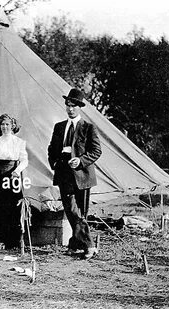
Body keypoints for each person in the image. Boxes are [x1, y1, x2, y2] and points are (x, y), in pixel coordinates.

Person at [47, 88, 102, 259]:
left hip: (83, 176)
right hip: (64, 175)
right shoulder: (59, 127)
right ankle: (90, 245)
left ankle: (74, 244)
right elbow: (51, 150)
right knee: (72, 210)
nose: (70, 109)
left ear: (80, 108)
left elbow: (96, 151)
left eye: (74, 106)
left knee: (80, 213)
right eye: (68, 105)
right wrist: (55, 163)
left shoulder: (88, 128)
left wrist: (81, 160)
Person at [0, 114, 28, 249]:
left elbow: (24, 160)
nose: (5, 127)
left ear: (12, 126)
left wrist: (18, 170)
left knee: (13, 208)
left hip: (13, 175)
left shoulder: (19, 142)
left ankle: (13, 241)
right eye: (2, 124)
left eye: (7, 125)